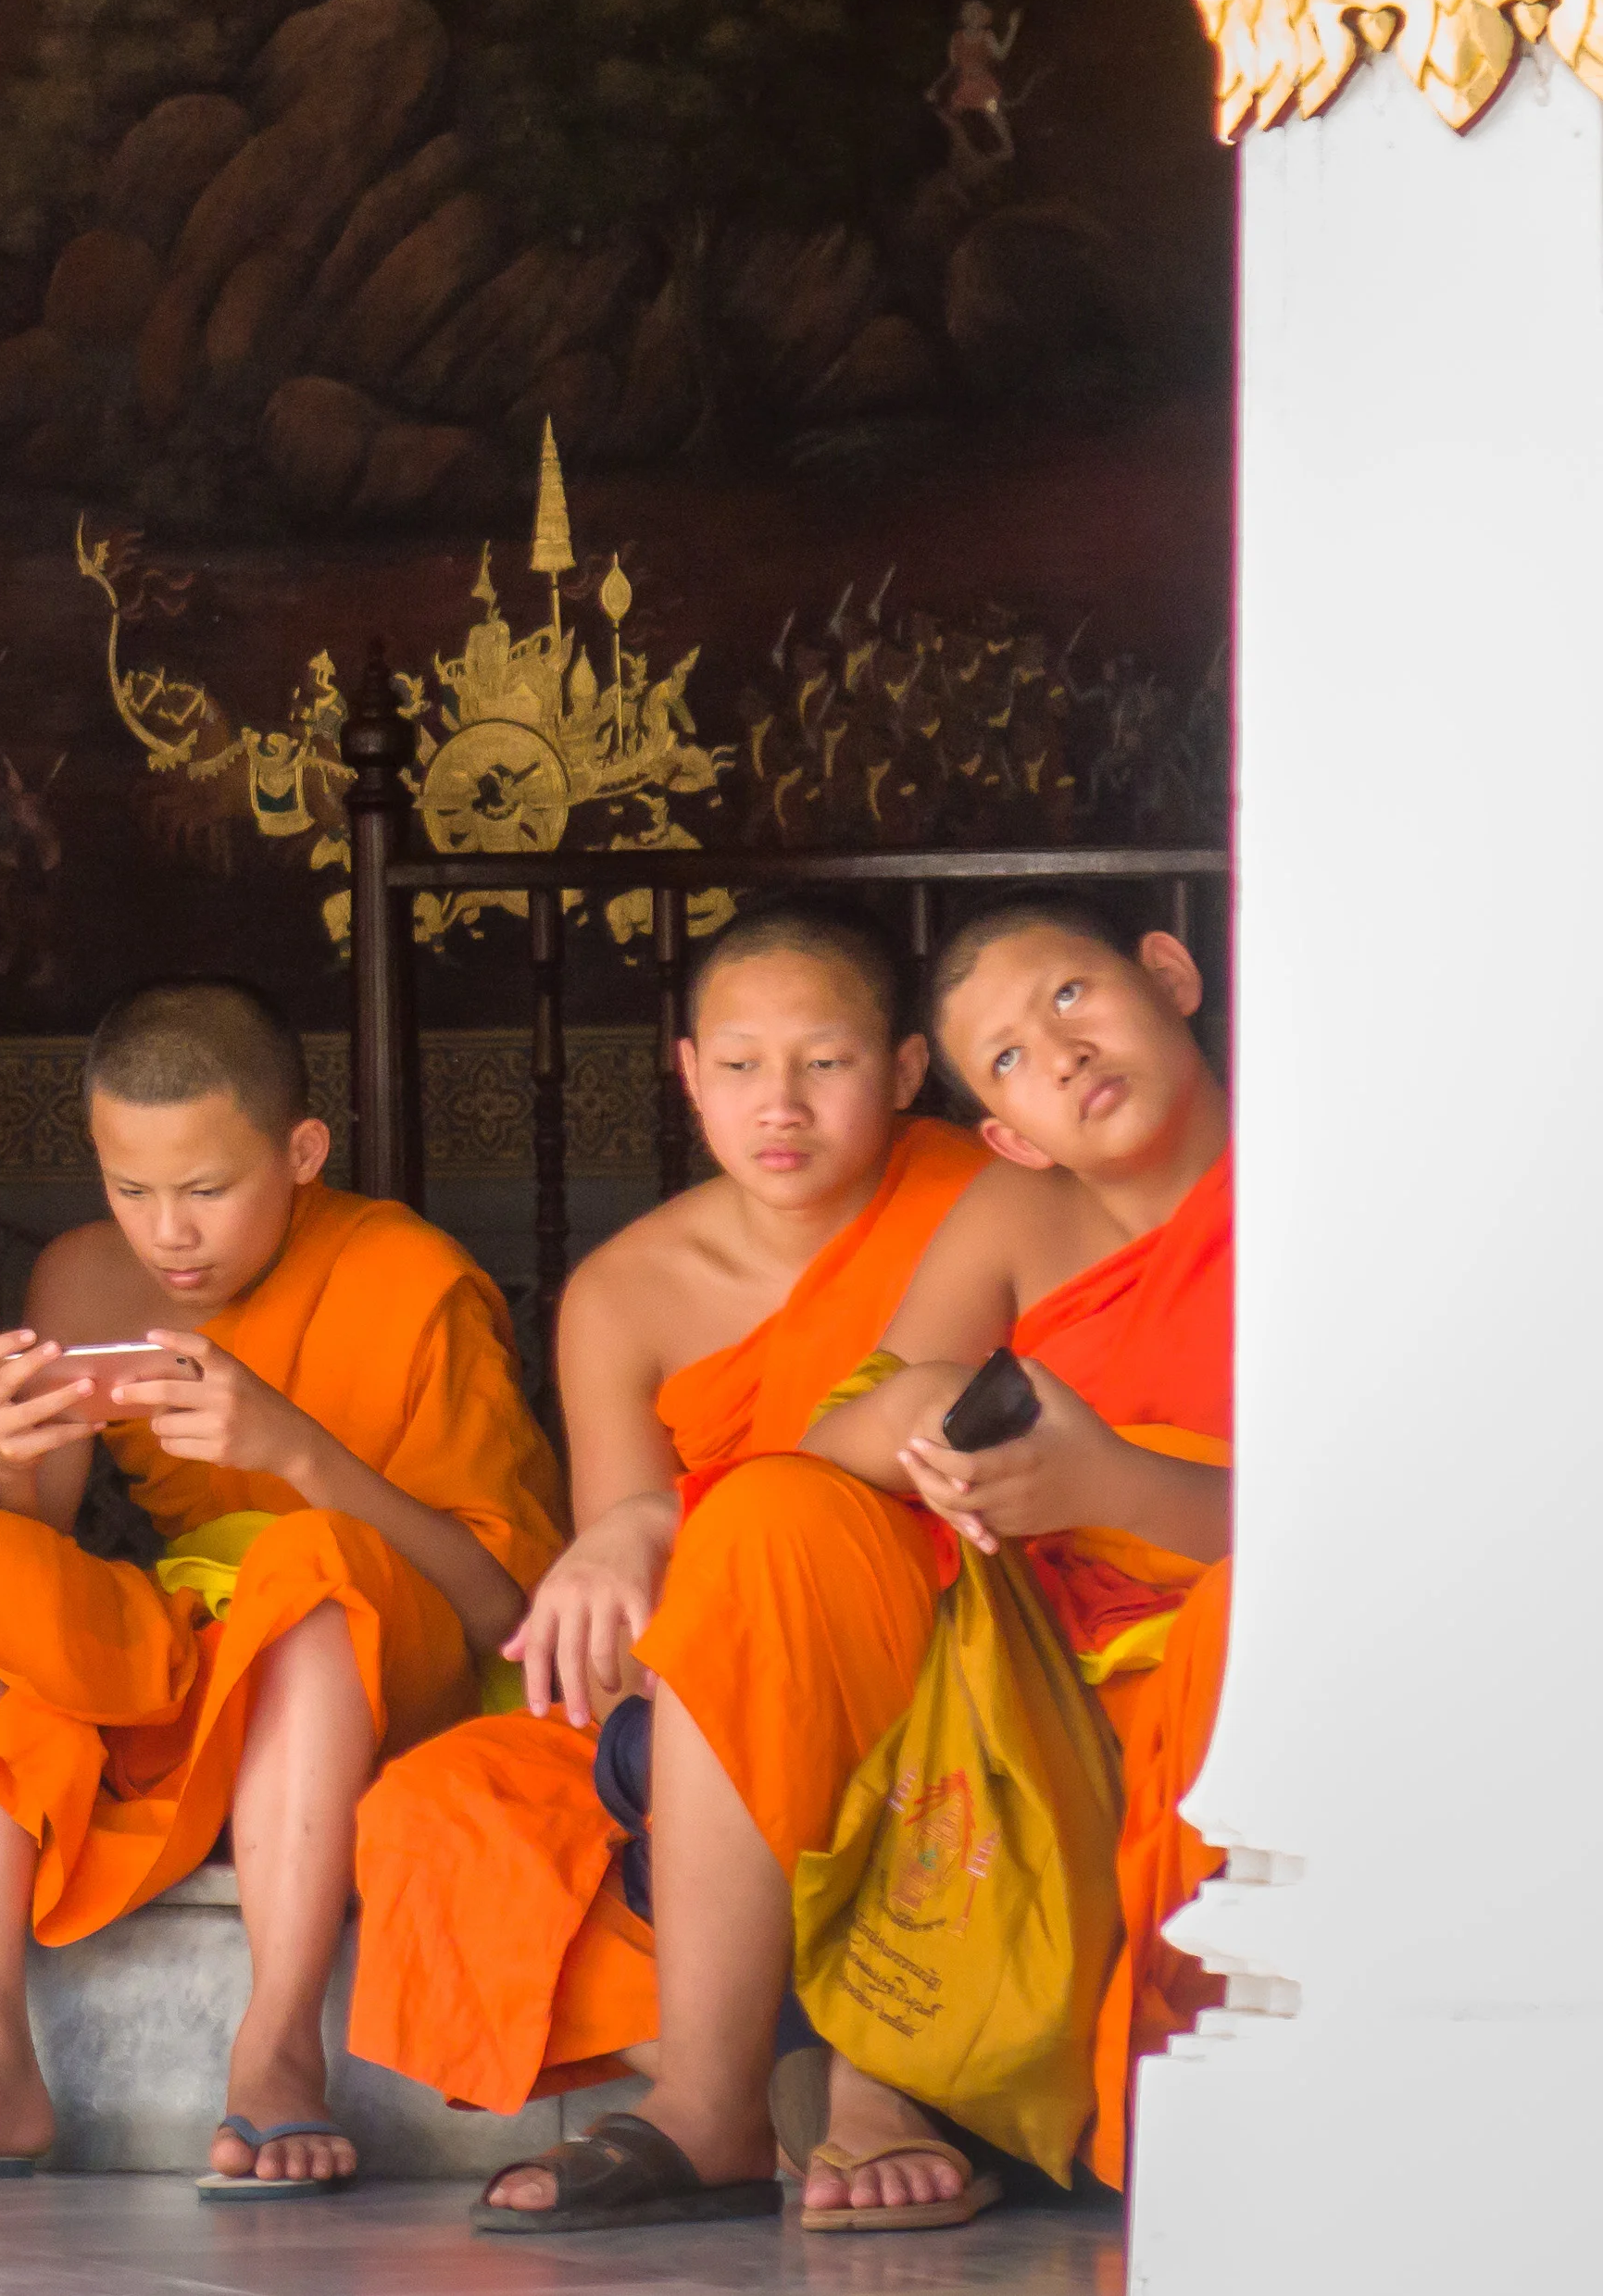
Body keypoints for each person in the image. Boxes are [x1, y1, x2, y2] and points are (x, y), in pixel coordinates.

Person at [473, 892, 1230, 2234]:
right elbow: (850, 1427)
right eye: (1003, 1056)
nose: (1053, 1053)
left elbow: (1412, 1519)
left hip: (1227, 1652)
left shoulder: (1342, 1183)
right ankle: (711, 2105)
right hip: (1030, 1681)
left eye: (1069, 998)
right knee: (773, 1511)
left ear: (1170, 974)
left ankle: (900, 2072)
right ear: (1002, 1132)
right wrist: (935, 1409)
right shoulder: (1009, 1208)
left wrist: (1114, 1480)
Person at [0, 982, 559, 2194]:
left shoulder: (413, 1278)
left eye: (207, 1189)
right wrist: (12, 1449)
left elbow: (504, 1608)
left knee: (308, 1566)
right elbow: (32, 1541)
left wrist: (298, 1452)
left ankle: (279, 2039)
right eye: (130, 1188)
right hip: (203, 1646)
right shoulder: (90, 1282)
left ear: (302, 1152)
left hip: (385, 1656)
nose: (168, 1234)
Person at [347, 905, 1068, 2126]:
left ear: (902, 1068)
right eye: (738, 1064)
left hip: (939, 1645)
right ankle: (772, 2054)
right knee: (436, 1807)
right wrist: (646, 1568)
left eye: (825, 1062)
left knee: (790, 1577)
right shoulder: (625, 1290)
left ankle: (772, 2063)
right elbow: (619, 1597)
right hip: (707, 1686)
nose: (778, 1104)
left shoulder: (988, 1202)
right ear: (688, 1073)